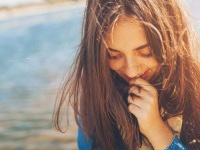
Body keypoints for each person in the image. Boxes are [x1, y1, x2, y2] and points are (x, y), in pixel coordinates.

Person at [54, 0, 200, 149]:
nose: (131, 71)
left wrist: (157, 131)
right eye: (113, 56)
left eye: (146, 53)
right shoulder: (94, 107)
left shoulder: (196, 89)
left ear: (171, 37)